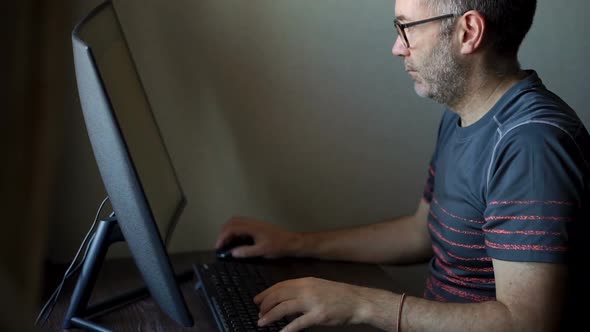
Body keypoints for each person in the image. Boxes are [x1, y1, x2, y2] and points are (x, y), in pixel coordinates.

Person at [215, 0, 590, 331]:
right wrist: (293, 243)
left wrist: (360, 304)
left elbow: (527, 323)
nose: (397, 48)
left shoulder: (530, 144)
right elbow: (420, 232)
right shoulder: (462, 114)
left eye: (406, 28)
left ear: (468, 32)